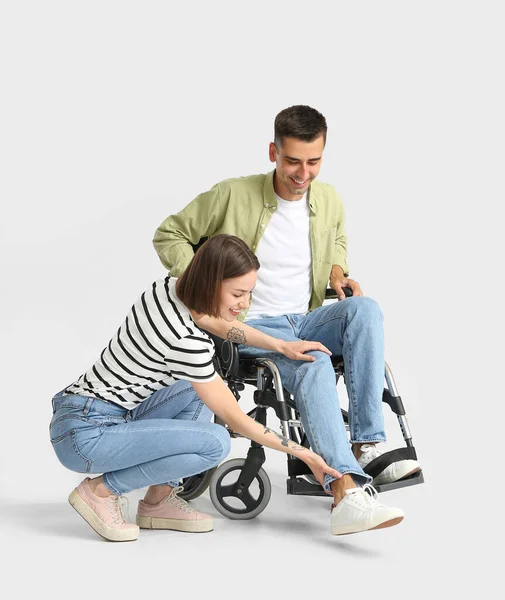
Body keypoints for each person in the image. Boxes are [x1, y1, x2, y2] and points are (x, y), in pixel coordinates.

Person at [153, 105, 420, 536]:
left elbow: (336, 241)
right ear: (273, 151)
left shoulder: (329, 198)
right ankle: (345, 491)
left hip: (307, 317)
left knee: (366, 310)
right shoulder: (232, 194)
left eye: (313, 161)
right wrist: (201, 288)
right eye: (293, 160)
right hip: (255, 327)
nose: (303, 173)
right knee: (312, 364)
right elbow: (169, 233)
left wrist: (338, 273)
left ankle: (366, 444)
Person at [50, 234, 352, 542]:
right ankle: (99, 491)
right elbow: (238, 420)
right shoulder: (186, 342)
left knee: (195, 388)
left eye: (249, 293)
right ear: (211, 283)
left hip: (90, 412)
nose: (245, 303)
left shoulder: (166, 289)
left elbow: (211, 321)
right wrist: (309, 456)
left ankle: (158, 501)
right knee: (215, 442)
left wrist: (280, 344)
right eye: (238, 293)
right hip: (85, 436)